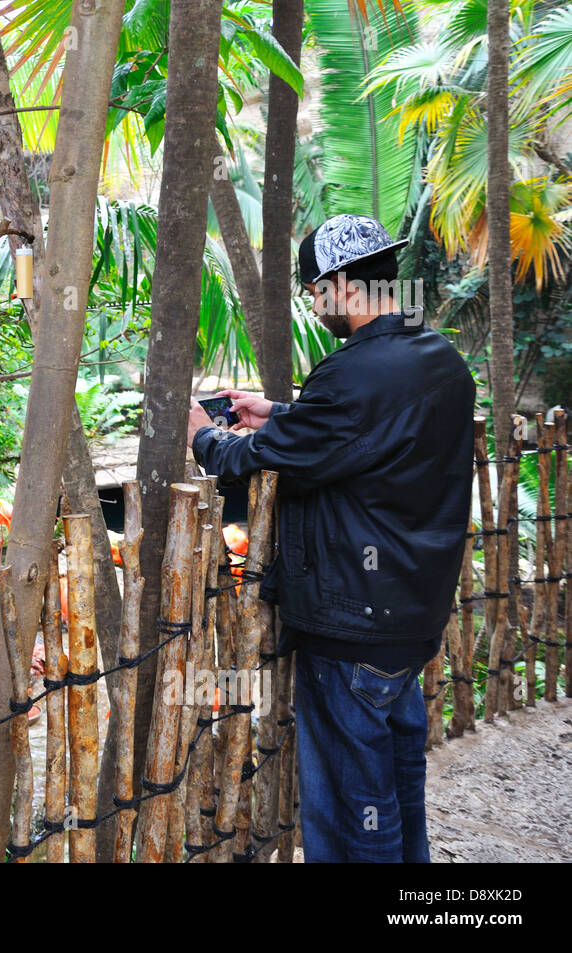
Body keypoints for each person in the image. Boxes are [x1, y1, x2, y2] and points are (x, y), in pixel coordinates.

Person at [185, 213, 475, 862]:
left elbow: (248, 460)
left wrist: (200, 435)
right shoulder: (440, 362)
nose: (315, 309)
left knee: (351, 821)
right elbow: (371, 432)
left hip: (351, 631)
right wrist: (279, 412)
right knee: (397, 796)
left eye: (316, 293)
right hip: (411, 627)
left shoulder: (348, 376)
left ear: (344, 287)